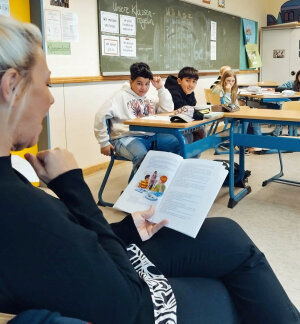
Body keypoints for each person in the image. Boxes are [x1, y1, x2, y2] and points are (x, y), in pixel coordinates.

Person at [0, 16, 299, 324]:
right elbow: (125, 302)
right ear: (11, 86)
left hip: (111, 257)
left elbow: (69, 242)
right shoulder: (14, 203)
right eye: (46, 84)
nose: (50, 97)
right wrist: (72, 184)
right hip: (131, 295)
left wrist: (128, 227)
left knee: (229, 236)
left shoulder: (15, 180)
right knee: (229, 291)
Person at [94, 62, 179, 173]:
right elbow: (100, 116)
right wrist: (104, 142)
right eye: (139, 83)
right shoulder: (119, 96)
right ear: (131, 82)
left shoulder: (150, 96)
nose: (143, 88)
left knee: (180, 143)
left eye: (147, 84)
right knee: (142, 157)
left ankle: (165, 182)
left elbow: (167, 109)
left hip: (150, 136)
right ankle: (137, 190)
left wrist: (160, 89)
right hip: (126, 138)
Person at [165, 66, 205, 141]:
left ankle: (194, 152)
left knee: (201, 129)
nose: (191, 85)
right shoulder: (173, 92)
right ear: (179, 81)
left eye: (194, 81)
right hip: (170, 126)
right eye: (187, 80)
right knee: (192, 134)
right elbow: (183, 109)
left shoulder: (189, 92)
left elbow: (192, 106)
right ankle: (189, 152)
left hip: (182, 124)